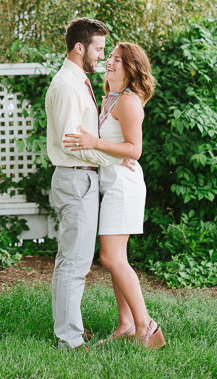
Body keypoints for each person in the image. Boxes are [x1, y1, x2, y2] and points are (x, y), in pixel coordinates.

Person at [63, 42, 165, 349]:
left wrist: (94, 141)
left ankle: (147, 326)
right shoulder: (109, 97)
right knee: (116, 258)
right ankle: (126, 324)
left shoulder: (129, 102)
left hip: (124, 186)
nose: (109, 61)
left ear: (130, 68)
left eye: (117, 59)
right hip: (110, 183)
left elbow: (135, 149)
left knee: (110, 257)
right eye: (110, 56)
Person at [45, 18, 135, 352]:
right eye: (98, 49)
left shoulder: (78, 80)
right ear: (80, 47)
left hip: (79, 177)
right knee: (75, 264)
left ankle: (67, 329)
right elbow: (73, 143)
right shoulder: (68, 85)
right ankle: (68, 340)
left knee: (68, 260)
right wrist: (114, 158)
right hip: (76, 176)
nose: (102, 57)